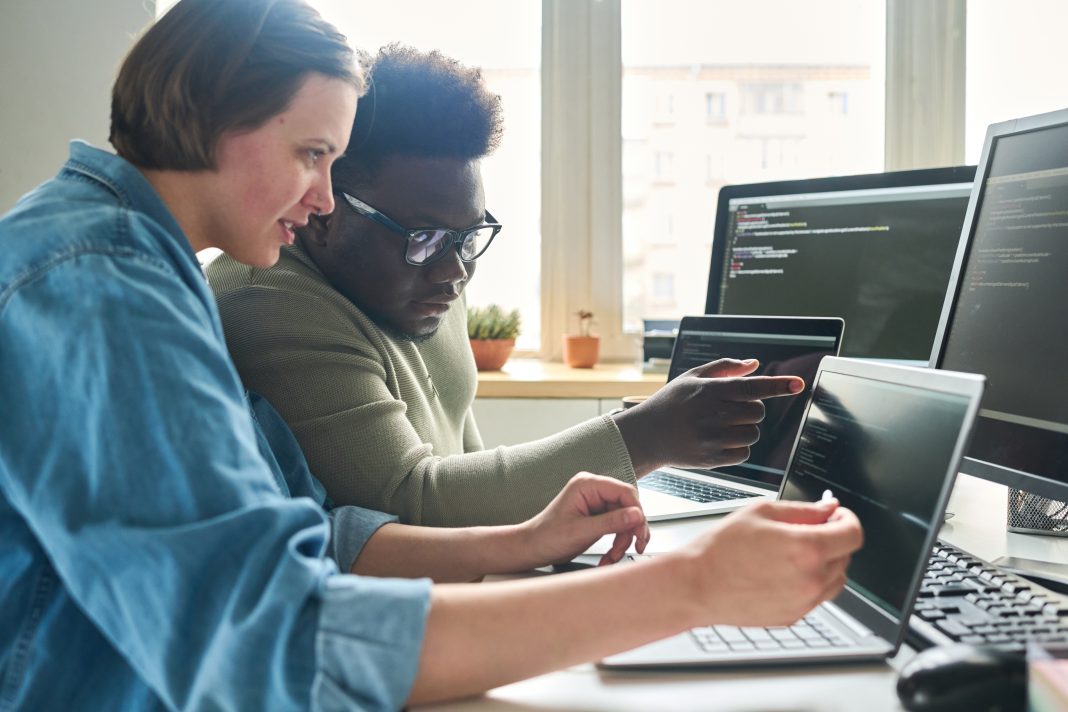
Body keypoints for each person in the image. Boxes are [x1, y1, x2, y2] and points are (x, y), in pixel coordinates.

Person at [0, 3, 863, 708]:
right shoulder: (99, 284)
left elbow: (316, 532)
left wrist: (525, 538)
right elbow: (271, 638)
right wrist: (696, 589)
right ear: (212, 118)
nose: (325, 197)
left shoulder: (138, 261)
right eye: (312, 154)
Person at [207, 44, 806, 527]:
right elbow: (411, 502)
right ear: (327, 209)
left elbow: (466, 467)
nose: (453, 271)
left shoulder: (429, 273)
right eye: (424, 237)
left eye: (469, 237)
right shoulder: (270, 303)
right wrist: (645, 436)